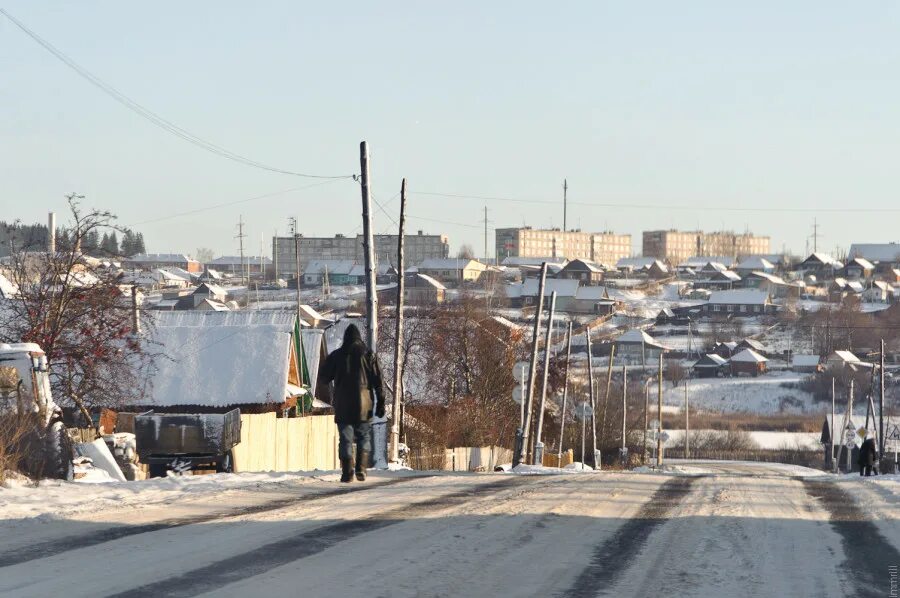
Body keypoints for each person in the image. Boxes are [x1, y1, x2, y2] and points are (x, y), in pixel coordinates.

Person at [321, 324, 385, 483]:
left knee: (346, 439)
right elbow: (379, 382)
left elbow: (323, 377)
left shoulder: (337, 355)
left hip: (343, 404)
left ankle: (347, 472)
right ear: (359, 338)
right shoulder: (369, 355)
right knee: (364, 437)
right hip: (364, 406)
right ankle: (361, 469)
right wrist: (381, 403)